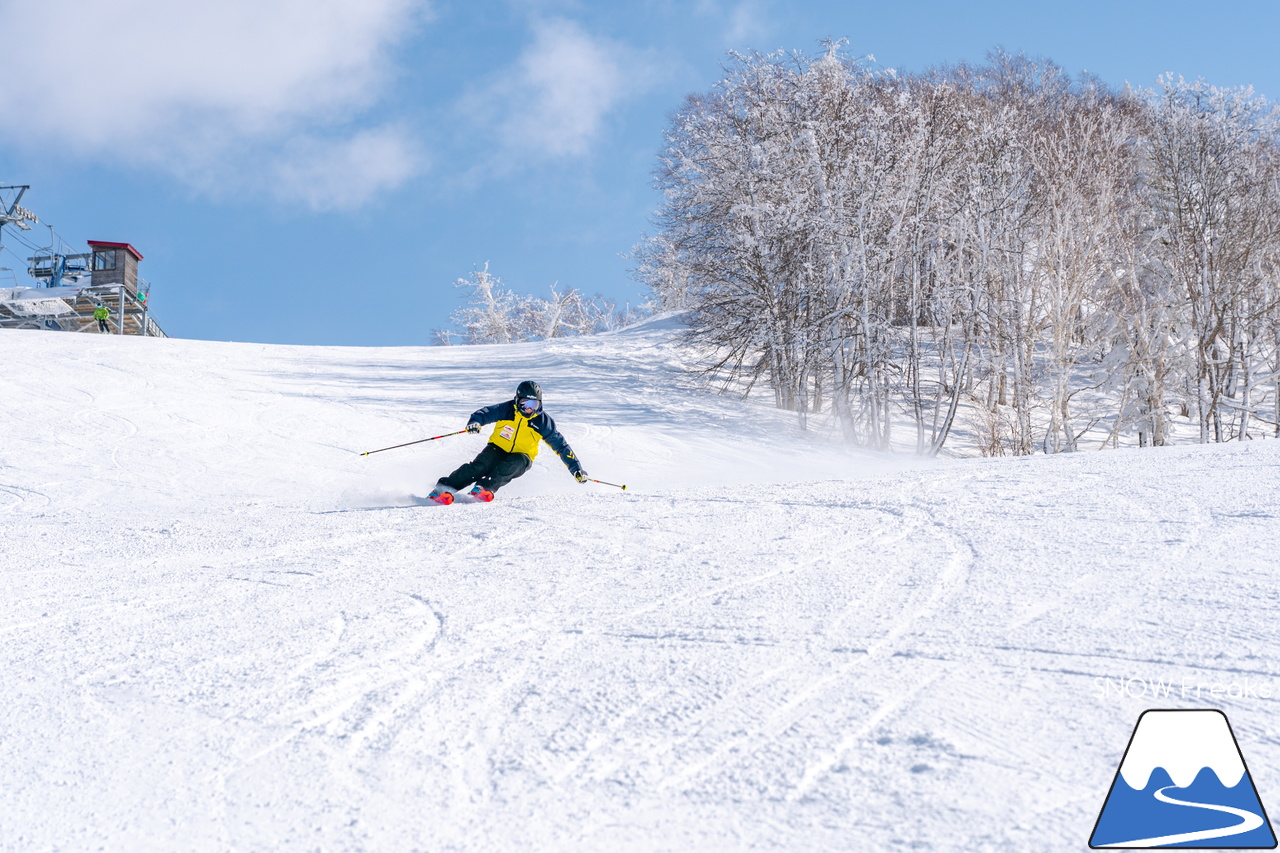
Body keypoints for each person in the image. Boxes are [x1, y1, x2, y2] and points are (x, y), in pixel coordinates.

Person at [427, 380, 587, 504]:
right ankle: (444, 488)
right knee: (479, 467)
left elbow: (561, 446)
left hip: (523, 456)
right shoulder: (507, 409)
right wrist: (475, 422)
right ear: (517, 400)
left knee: (511, 465)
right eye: (525, 404)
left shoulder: (543, 422)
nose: (529, 409)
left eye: (534, 404)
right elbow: (485, 413)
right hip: (497, 447)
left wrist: (576, 469)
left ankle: (484, 487)